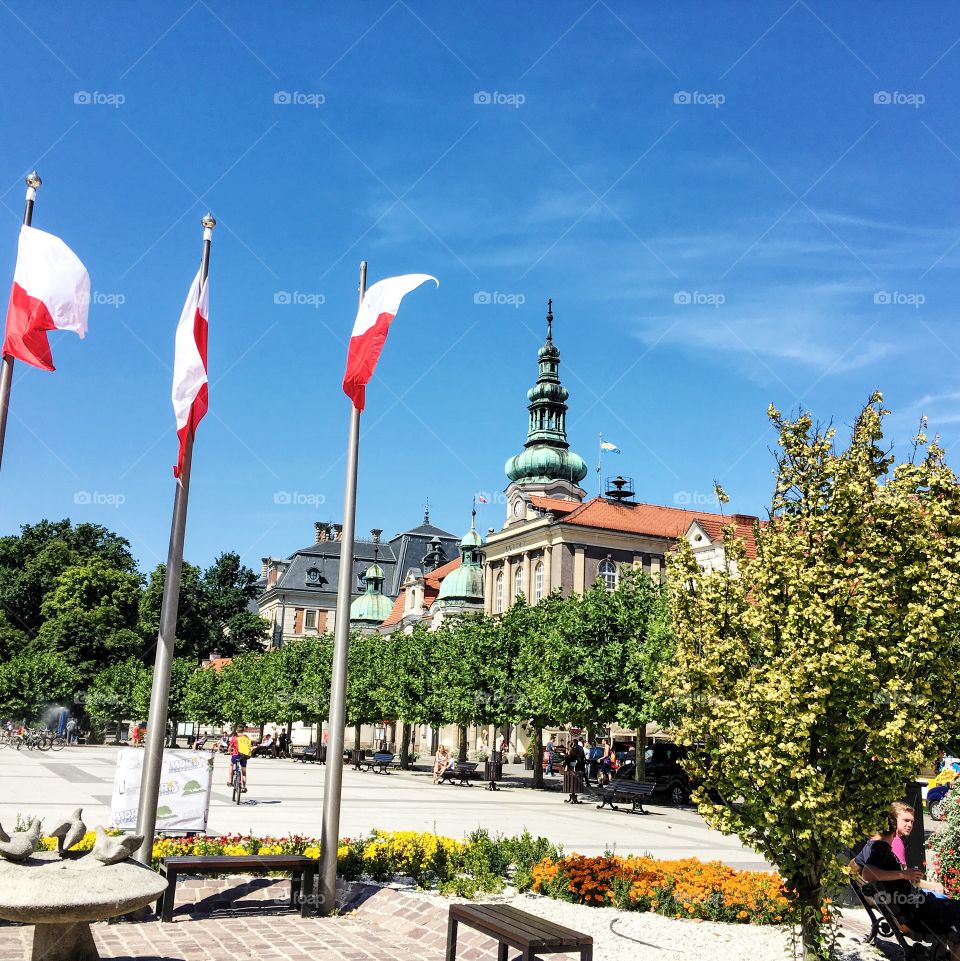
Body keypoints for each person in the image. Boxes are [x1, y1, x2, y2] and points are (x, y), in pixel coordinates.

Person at [854, 811, 960, 954]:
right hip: (915, 915)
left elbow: (851, 867)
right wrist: (903, 874)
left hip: (909, 909)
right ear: (894, 831)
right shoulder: (880, 847)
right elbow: (867, 873)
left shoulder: (870, 846)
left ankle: (942, 953)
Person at [228, 725, 252, 792]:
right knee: (244, 772)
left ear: (236, 731)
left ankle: (230, 781)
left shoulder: (235, 738)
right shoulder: (247, 737)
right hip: (244, 756)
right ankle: (244, 787)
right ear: (243, 730)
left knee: (231, 765)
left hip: (236, 755)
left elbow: (230, 748)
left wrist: (229, 752)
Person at [564, 738, 586, 803]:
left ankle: (573, 787)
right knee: (577, 774)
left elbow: (570, 756)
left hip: (574, 763)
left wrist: (566, 756)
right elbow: (583, 755)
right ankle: (575, 787)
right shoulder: (580, 748)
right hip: (579, 763)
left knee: (573, 774)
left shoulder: (573, 749)